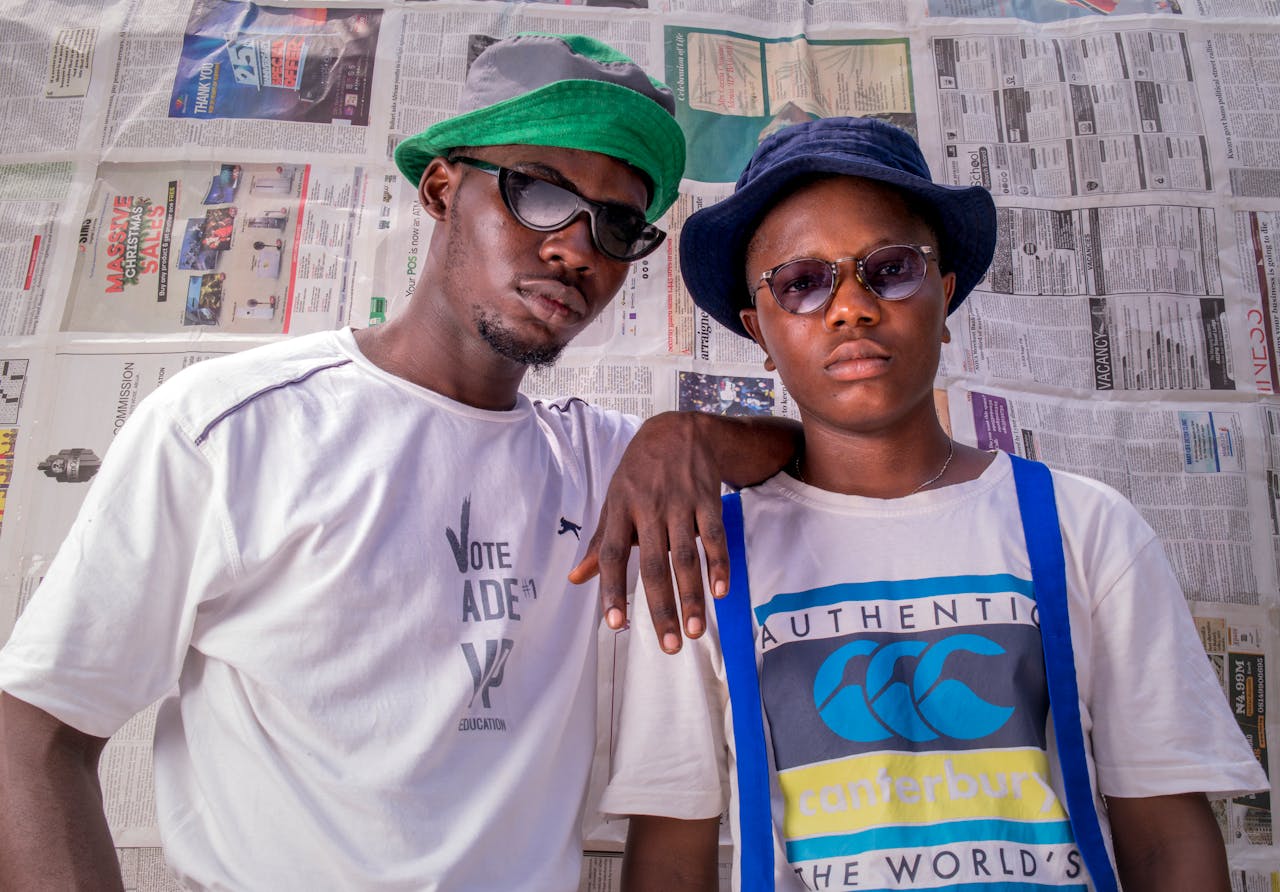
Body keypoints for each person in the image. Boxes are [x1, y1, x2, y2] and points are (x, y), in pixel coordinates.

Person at [0, 33, 796, 890]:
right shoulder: (233, 429)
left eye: (616, 224)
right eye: (539, 192)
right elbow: (34, 735)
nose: (576, 249)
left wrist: (692, 436)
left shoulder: (601, 465)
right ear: (442, 189)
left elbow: (830, 453)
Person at [601, 116, 1268, 891]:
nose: (850, 307)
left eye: (888, 268)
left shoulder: (1083, 527)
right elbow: (670, 855)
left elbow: (1166, 839)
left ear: (944, 295)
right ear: (761, 329)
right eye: (802, 282)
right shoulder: (706, 554)